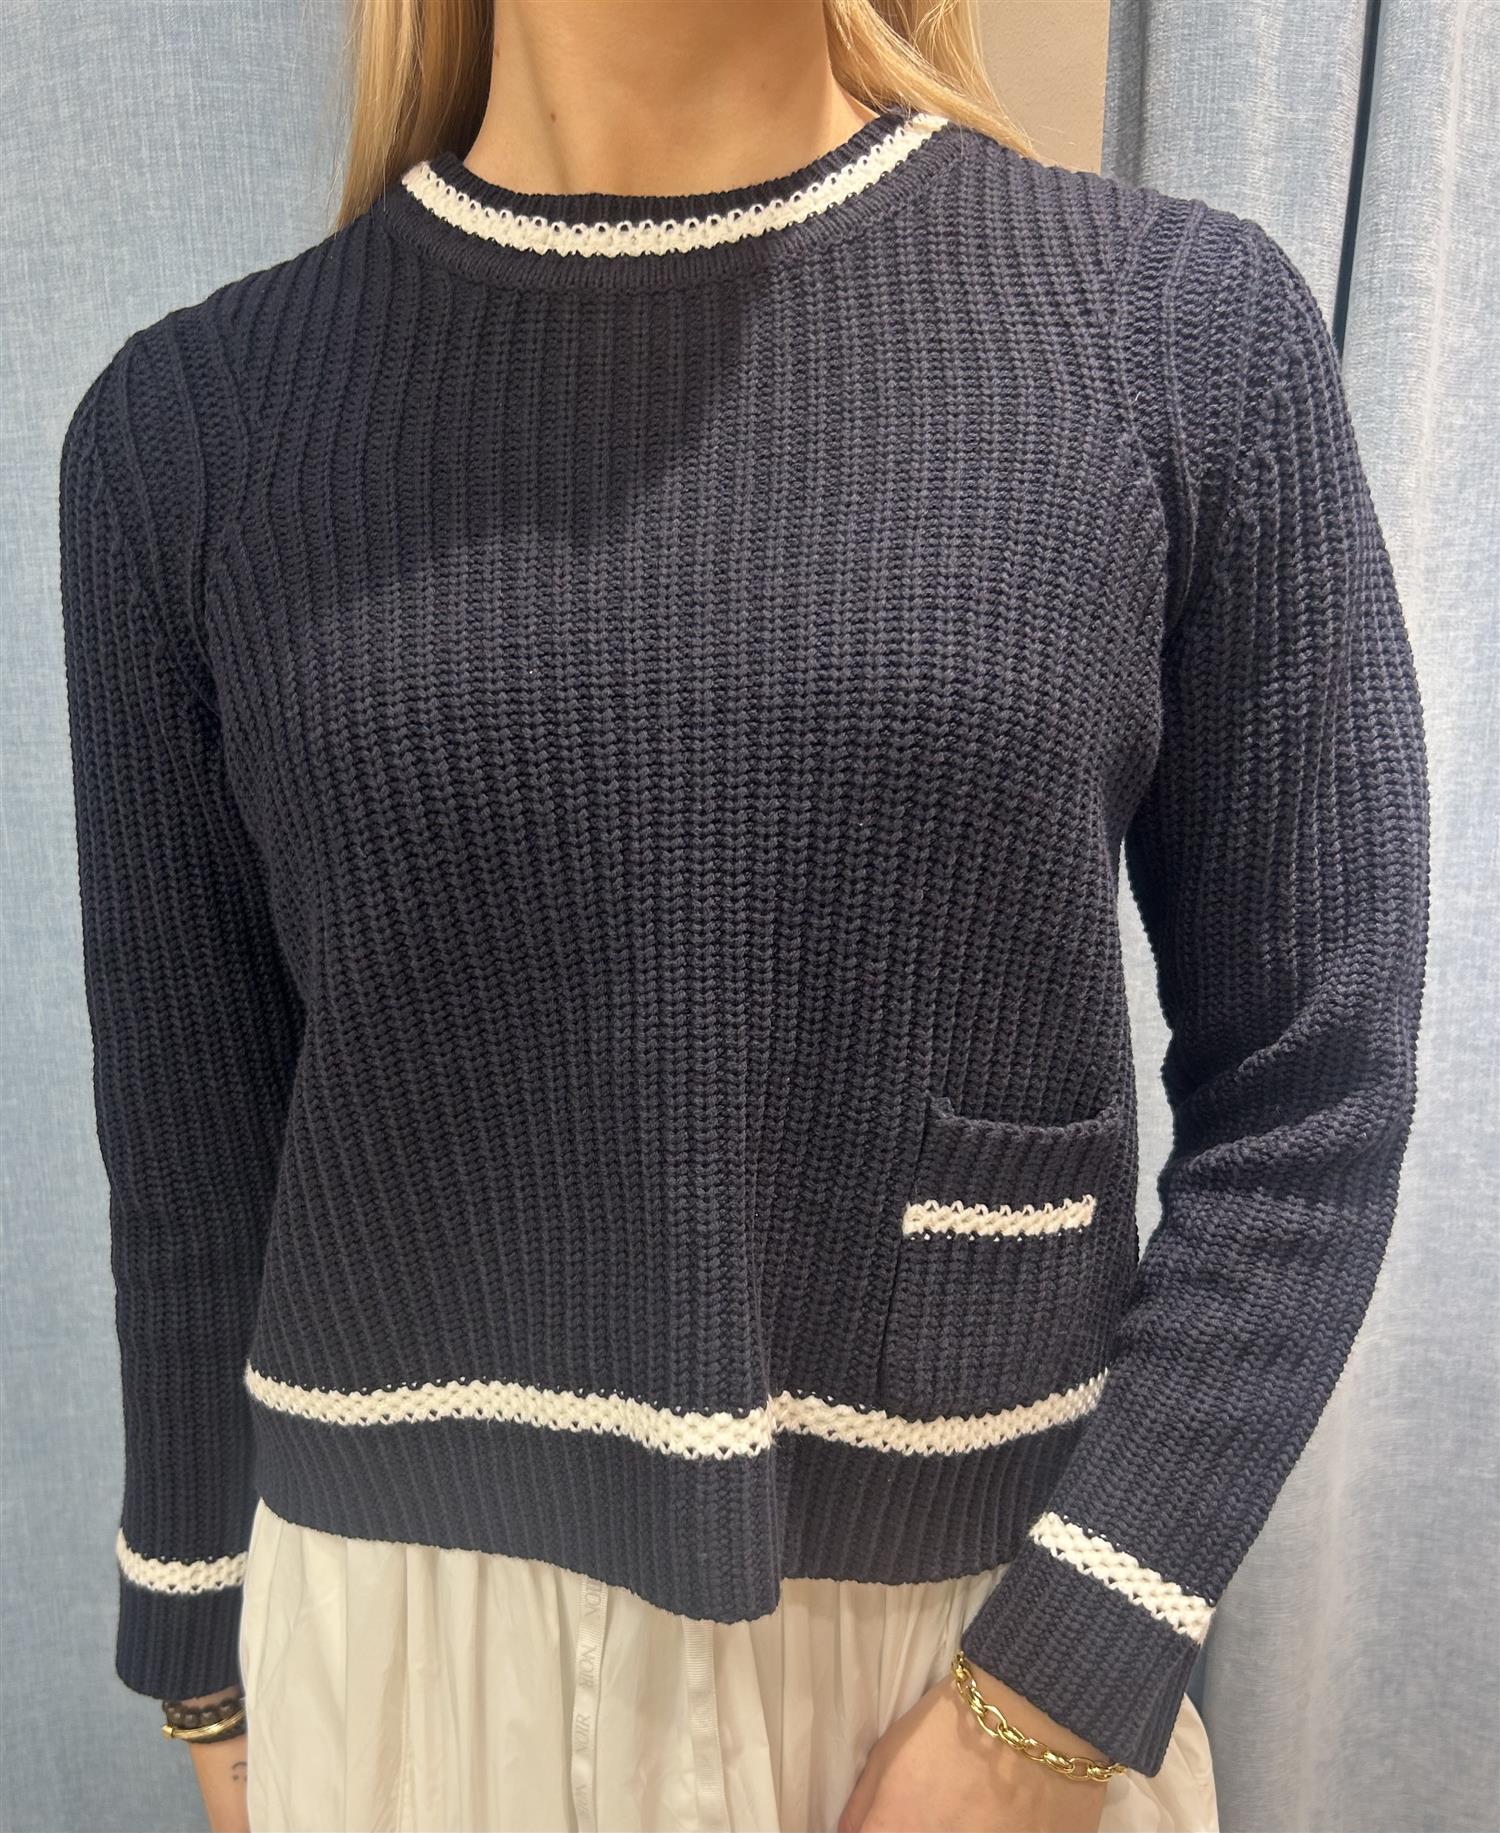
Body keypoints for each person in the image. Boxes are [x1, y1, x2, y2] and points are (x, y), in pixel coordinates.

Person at [56, 1, 1430, 1830]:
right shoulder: (185, 432)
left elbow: (1314, 1084)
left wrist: (1052, 1693)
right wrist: (208, 1674)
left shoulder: (1176, 335)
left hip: (976, 1653)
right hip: (395, 1660)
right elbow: (190, 1156)